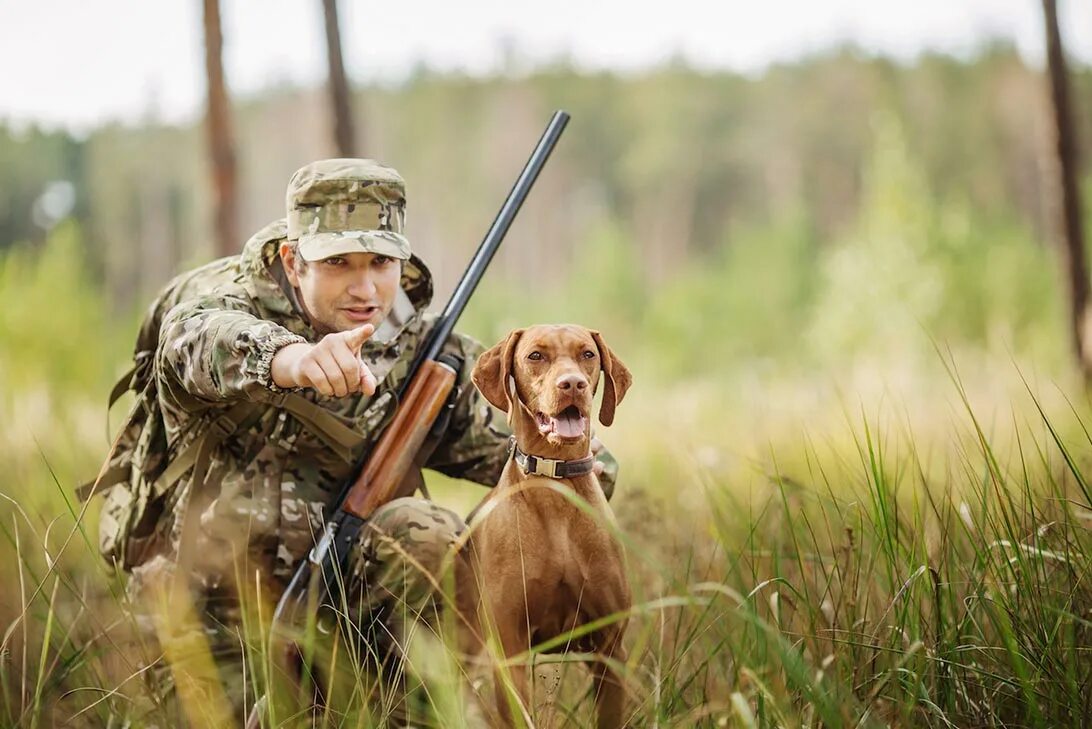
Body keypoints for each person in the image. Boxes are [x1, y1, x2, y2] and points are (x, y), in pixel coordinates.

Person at [103, 159, 617, 724]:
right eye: (339, 263)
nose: (366, 286)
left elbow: (582, 468)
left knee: (428, 536)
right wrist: (289, 359)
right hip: (207, 613)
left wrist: (522, 553)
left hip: (346, 606)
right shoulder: (222, 304)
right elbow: (194, 338)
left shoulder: (423, 353)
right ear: (294, 261)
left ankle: (406, 711)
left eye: (380, 262)